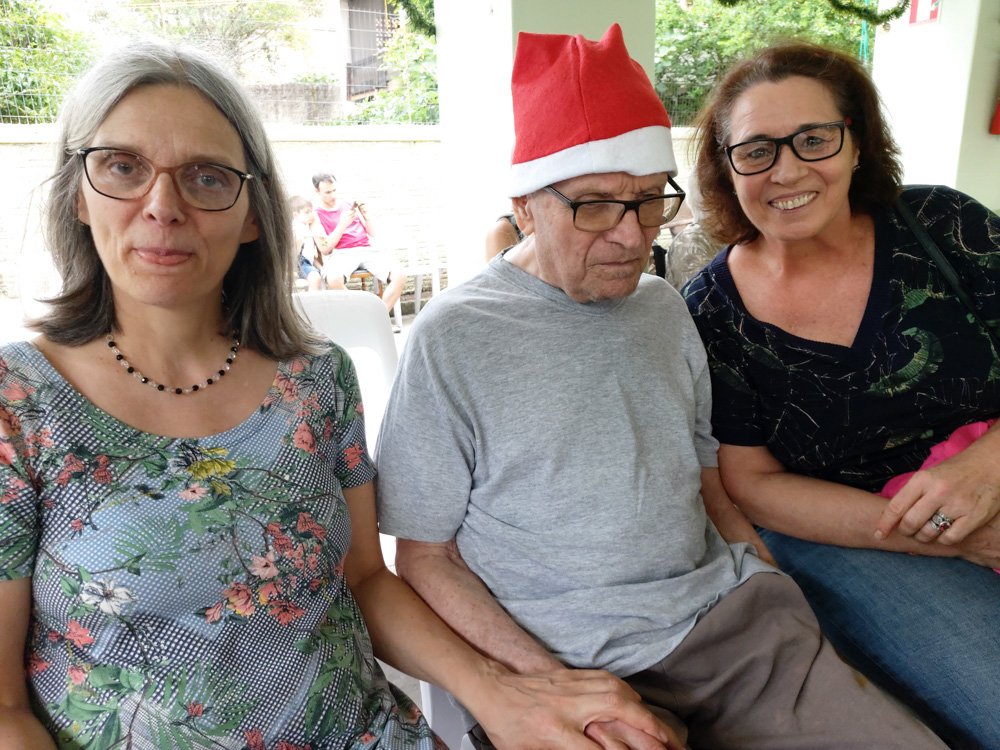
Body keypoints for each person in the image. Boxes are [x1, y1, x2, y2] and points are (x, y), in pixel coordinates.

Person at [0, 40, 679, 750]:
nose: (163, 207)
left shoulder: (315, 379)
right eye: (122, 167)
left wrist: (501, 695)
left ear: (254, 213)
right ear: (77, 194)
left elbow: (366, 579)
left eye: (207, 177)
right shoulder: (20, 403)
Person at [376, 25, 947, 750]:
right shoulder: (453, 336)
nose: (631, 236)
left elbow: (706, 481)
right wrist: (539, 682)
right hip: (568, 658)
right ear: (523, 205)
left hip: (732, 626)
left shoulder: (665, 307)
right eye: (593, 206)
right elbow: (424, 557)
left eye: (649, 200)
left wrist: (770, 581)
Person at [682, 41, 1000, 750]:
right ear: (726, 168)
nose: (787, 170)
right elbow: (752, 485)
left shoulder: (945, 224)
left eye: (814, 139)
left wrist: (985, 469)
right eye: (756, 150)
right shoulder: (709, 311)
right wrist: (943, 533)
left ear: (857, 143)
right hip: (860, 537)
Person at [310, 173, 405, 319]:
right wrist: (342, 225)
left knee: (400, 275)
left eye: (334, 190)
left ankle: (377, 319)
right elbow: (324, 247)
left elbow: (372, 233)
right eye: (327, 192)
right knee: (333, 279)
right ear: (317, 191)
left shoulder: (349, 205)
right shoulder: (315, 214)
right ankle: (360, 318)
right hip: (341, 253)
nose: (333, 195)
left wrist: (367, 217)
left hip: (367, 250)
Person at [289, 194, 323, 291]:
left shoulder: (305, 227)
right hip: (297, 263)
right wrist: (316, 234)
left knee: (317, 276)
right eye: (307, 212)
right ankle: (313, 299)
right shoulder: (296, 225)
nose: (311, 215)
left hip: (306, 263)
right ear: (295, 215)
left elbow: (310, 257)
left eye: (311, 211)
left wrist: (321, 268)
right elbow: (297, 236)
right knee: (314, 278)